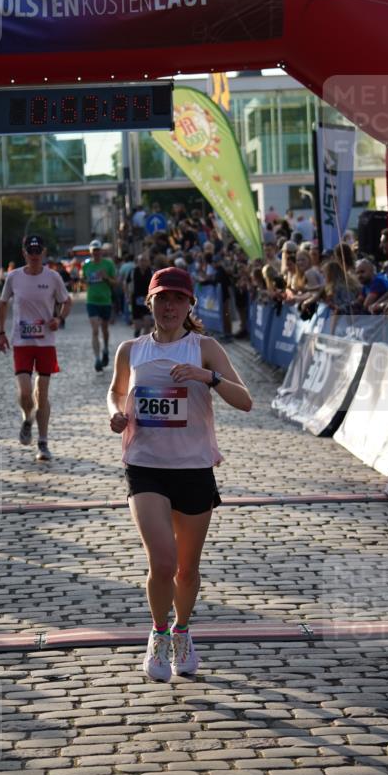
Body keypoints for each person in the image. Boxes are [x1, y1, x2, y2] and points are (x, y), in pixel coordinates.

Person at [107, 267, 252, 682]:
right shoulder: (131, 350)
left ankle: (182, 631)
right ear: (149, 303)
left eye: (177, 299)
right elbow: (116, 391)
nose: (169, 306)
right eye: (162, 299)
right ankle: (158, 633)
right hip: (145, 466)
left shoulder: (204, 348)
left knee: (186, 569)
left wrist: (208, 376)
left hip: (193, 468)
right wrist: (115, 413)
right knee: (163, 561)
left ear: (190, 304)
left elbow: (245, 401)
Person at [0, 234, 71, 462]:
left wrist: (59, 318)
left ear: (44, 253)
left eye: (38, 251)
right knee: (25, 392)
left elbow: (67, 301)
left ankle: (43, 442)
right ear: (24, 253)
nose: (35, 255)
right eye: (31, 251)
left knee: (43, 392)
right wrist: (0, 333)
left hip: (46, 343)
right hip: (22, 342)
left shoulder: (53, 277)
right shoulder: (13, 277)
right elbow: (2, 303)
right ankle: (27, 418)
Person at [83, 239, 116, 372]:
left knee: (104, 329)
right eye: (93, 251)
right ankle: (97, 359)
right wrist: (85, 281)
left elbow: (116, 283)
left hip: (105, 301)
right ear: (90, 252)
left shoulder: (108, 264)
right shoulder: (86, 265)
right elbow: (84, 280)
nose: (96, 253)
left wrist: (106, 277)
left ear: (101, 251)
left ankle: (106, 349)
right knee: (95, 330)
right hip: (91, 301)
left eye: (97, 250)